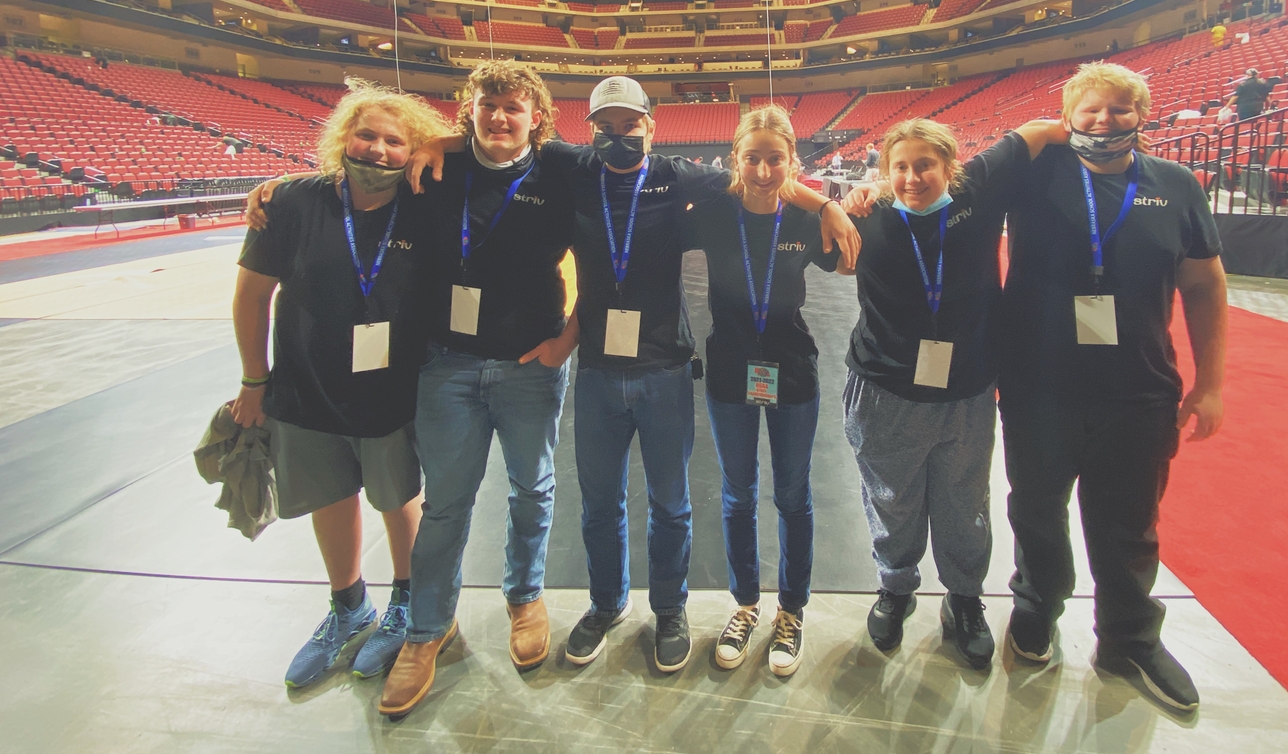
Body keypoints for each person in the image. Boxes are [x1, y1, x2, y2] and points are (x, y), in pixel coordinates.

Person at [405, 76, 859, 675]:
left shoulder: (680, 176)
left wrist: (825, 201)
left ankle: (669, 609)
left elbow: (759, 175)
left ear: (651, 125)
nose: (618, 137)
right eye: (606, 127)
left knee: (671, 506)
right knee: (599, 503)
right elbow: (501, 136)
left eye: (630, 125)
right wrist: (441, 142)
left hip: (665, 368)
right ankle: (606, 604)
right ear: (590, 130)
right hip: (596, 369)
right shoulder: (573, 168)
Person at [998, 61, 1227, 714]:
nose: (1105, 120)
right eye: (1091, 109)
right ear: (1067, 114)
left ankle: (1128, 637)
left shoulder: (1175, 186)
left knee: (1128, 522)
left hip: (1139, 390)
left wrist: (1211, 384)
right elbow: (956, 188)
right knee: (1036, 509)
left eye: (1119, 109)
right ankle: (1037, 605)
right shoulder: (1035, 174)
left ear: (1142, 116)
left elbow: (1206, 285)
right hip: (1040, 387)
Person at [230, 81, 450, 689]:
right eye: (367, 135)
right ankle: (348, 604)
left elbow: (492, 150)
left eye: (395, 140)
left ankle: (404, 604)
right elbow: (251, 296)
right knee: (330, 492)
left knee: (394, 492)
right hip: (305, 383)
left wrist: (443, 140)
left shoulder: (423, 202)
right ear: (342, 138)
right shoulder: (293, 201)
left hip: (392, 386)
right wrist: (254, 379)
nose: (378, 149)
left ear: (414, 150)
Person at [381, 61, 578, 718]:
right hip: (449, 366)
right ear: (469, 110)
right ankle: (426, 631)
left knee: (533, 488)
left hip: (531, 364)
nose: (500, 116)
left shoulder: (563, 172)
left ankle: (524, 598)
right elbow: (353, 180)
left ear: (537, 119)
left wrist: (566, 341)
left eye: (513, 107)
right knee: (446, 505)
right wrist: (276, 188)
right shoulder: (436, 169)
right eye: (488, 104)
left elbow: (608, 258)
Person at [839, 115, 1067, 668]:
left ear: (950, 167)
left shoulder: (978, 193)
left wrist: (1081, 127)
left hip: (965, 388)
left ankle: (963, 600)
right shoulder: (866, 218)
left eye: (925, 165)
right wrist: (835, 204)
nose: (912, 177)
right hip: (884, 387)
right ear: (883, 170)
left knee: (965, 503)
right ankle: (895, 589)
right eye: (900, 167)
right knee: (891, 500)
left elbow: (1030, 134)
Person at [684, 106, 850, 676]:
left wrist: (833, 205)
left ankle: (792, 612)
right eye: (751, 157)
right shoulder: (711, 214)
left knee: (793, 495)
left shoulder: (807, 222)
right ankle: (746, 605)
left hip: (793, 370)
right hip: (730, 368)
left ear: (791, 161)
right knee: (737, 493)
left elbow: (849, 266)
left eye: (774, 158)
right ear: (736, 159)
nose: (761, 169)